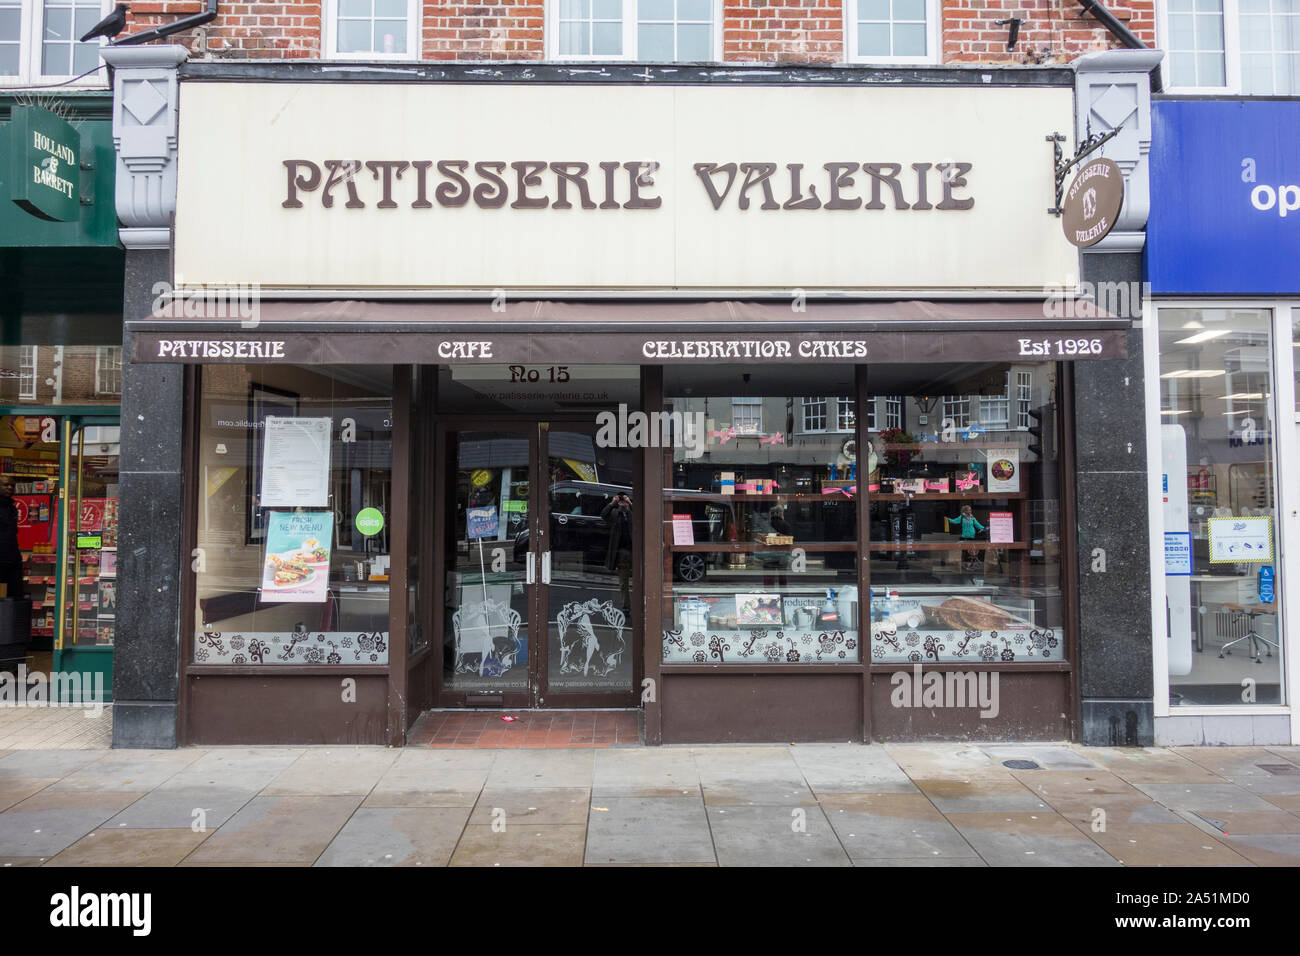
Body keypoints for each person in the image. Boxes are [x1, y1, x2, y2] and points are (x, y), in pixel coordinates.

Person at [601, 492, 633, 612]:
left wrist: (630, 502)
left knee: (640, 581)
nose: (623, 501)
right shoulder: (615, 514)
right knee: (623, 583)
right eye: (621, 500)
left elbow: (643, 515)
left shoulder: (633, 514)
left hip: (636, 553)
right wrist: (612, 503)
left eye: (624, 499)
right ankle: (626, 607)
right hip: (622, 555)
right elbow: (603, 515)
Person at [0, 477, 24, 599]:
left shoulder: (12, 508)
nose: (9, 488)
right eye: (6, 485)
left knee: (15, 596)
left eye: (12, 486)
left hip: (12, 559)